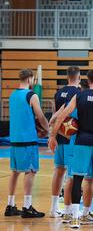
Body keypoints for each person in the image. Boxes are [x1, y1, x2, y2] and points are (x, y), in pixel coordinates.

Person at [49, 69, 93, 229]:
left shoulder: (79, 96)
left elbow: (61, 116)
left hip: (81, 142)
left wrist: (53, 136)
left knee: (77, 179)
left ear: (87, 80)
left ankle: (75, 219)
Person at [4, 69, 48, 218]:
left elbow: (22, 117)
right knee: (30, 171)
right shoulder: (31, 95)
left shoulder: (12, 95)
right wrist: (47, 129)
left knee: (15, 171)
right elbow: (40, 116)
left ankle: (10, 205)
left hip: (14, 139)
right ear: (30, 79)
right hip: (27, 140)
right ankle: (27, 206)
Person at [48, 66, 81, 218]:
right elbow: (60, 114)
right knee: (72, 175)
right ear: (79, 77)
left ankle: (54, 208)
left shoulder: (58, 93)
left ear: (67, 77)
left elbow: (54, 115)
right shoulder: (77, 93)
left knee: (58, 171)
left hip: (59, 136)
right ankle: (68, 210)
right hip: (70, 138)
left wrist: (53, 134)